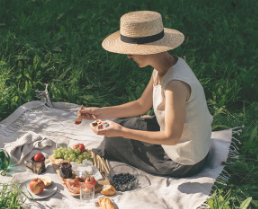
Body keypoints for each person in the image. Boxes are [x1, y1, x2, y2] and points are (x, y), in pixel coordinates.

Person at [80, 11, 213, 177]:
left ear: (147, 49)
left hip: (183, 159)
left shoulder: (175, 85)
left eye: (131, 50)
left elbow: (171, 137)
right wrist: (100, 112)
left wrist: (121, 131)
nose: (128, 55)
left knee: (114, 140)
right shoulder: (165, 66)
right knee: (116, 124)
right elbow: (141, 105)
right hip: (176, 138)